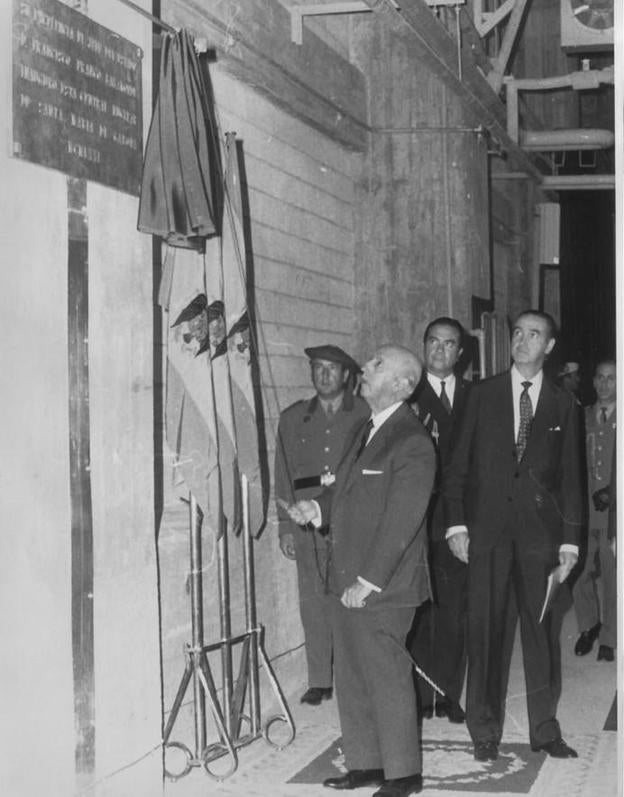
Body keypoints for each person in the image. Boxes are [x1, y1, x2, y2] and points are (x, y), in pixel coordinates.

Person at [286, 345, 435, 797]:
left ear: (403, 385)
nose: (364, 370)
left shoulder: (412, 441)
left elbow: (401, 520)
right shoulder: (366, 430)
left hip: (384, 584)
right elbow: (348, 491)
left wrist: (368, 582)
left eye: (376, 365)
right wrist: (316, 506)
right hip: (345, 575)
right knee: (351, 674)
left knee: (385, 675)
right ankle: (367, 763)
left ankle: (403, 774)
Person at [443, 310, 583, 762]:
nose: (523, 341)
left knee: (540, 635)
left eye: (534, 334)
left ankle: (544, 729)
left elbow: (571, 480)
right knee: (486, 633)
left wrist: (569, 543)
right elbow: (457, 465)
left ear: (550, 346)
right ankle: (484, 730)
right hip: (486, 535)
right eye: (518, 334)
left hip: (541, 540)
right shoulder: (481, 395)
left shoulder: (565, 404)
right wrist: (457, 523)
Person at [274, 344, 369, 706]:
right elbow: (283, 475)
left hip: (349, 519)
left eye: (332, 369)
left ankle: (352, 676)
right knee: (313, 601)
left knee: (349, 599)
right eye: (317, 368)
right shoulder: (292, 417)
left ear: (347, 376)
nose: (324, 375)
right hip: (305, 523)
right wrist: (285, 525)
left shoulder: (365, 412)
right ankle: (319, 679)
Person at [409, 317, 471, 723]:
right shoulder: (406, 392)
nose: (440, 350)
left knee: (454, 609)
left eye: (449, 344)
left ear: (460, 353)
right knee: (417, 610)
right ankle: (418, 697)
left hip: (459, 520)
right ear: (424, 345)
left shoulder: (475, 395)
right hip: (415, 517)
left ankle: (448, 693)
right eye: (433, 341)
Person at [572, 359, 617, 662]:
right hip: (584, 507)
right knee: (580, 568)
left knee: (613, 571)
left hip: (615, 511)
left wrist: (614, 491)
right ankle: (589, 626)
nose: (604, 384)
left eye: (611, 378)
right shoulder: (582, 416)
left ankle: (611, 637)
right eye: (599, 377)